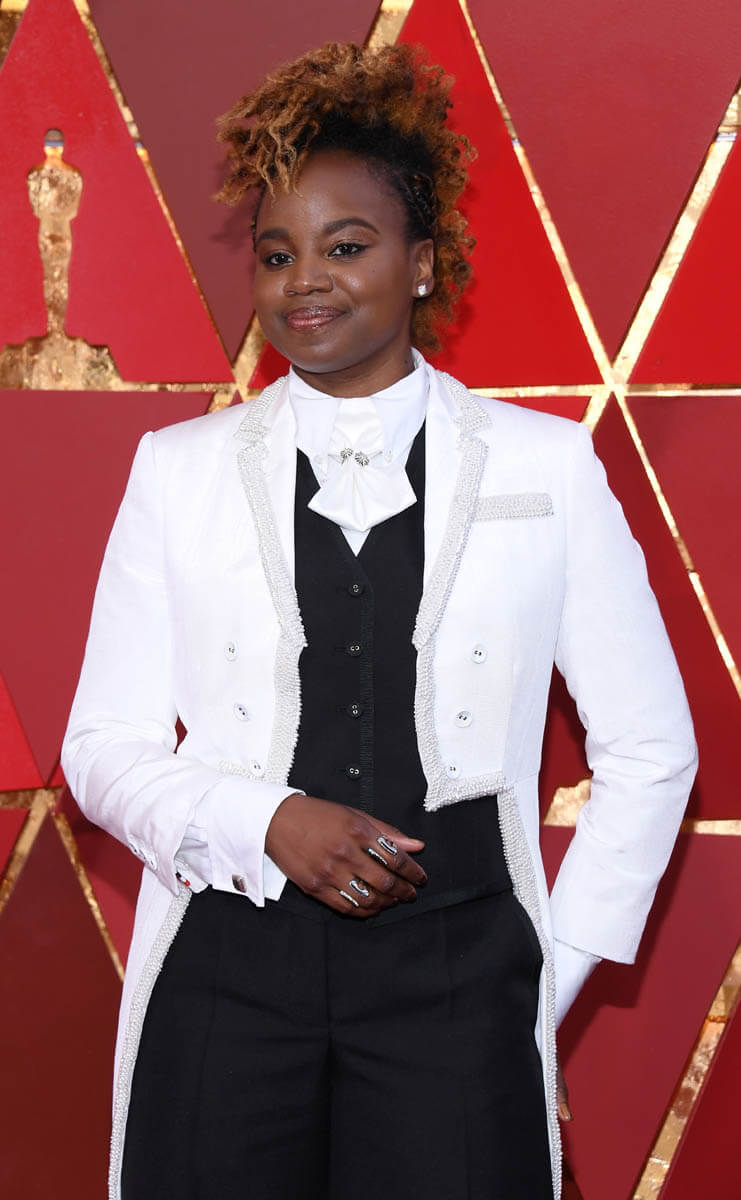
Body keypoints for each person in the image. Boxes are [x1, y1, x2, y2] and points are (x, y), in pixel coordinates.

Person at [61, 41, 697, 1200]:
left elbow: (653, 748)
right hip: (224, 970)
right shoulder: (178, 470)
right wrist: (267, 821)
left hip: (461, 978)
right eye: (277, 254)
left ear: (423, 264)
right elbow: (101, 749)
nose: (306, 279)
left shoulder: (548, 467)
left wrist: (539, 981)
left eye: (346, 246)